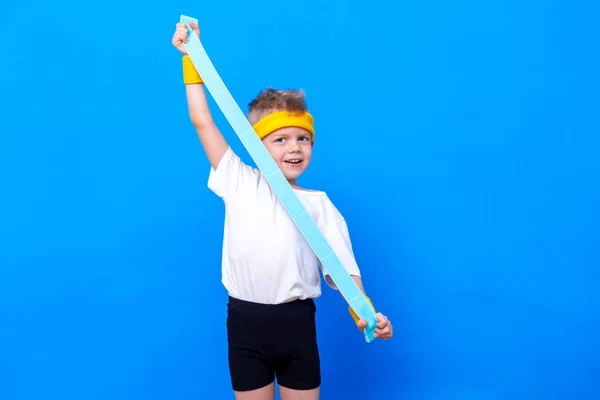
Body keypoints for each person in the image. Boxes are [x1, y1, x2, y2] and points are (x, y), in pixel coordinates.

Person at [171, 20, 393, 400]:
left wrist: (365, 313)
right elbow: (202, 121)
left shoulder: (320, 206)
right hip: (245, 323)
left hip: (296, 325)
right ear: (258, 145)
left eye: (303, 139)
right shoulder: (238, 180)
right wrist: (192, 59)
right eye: (281, 139)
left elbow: (343, 271)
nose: (295, 148)